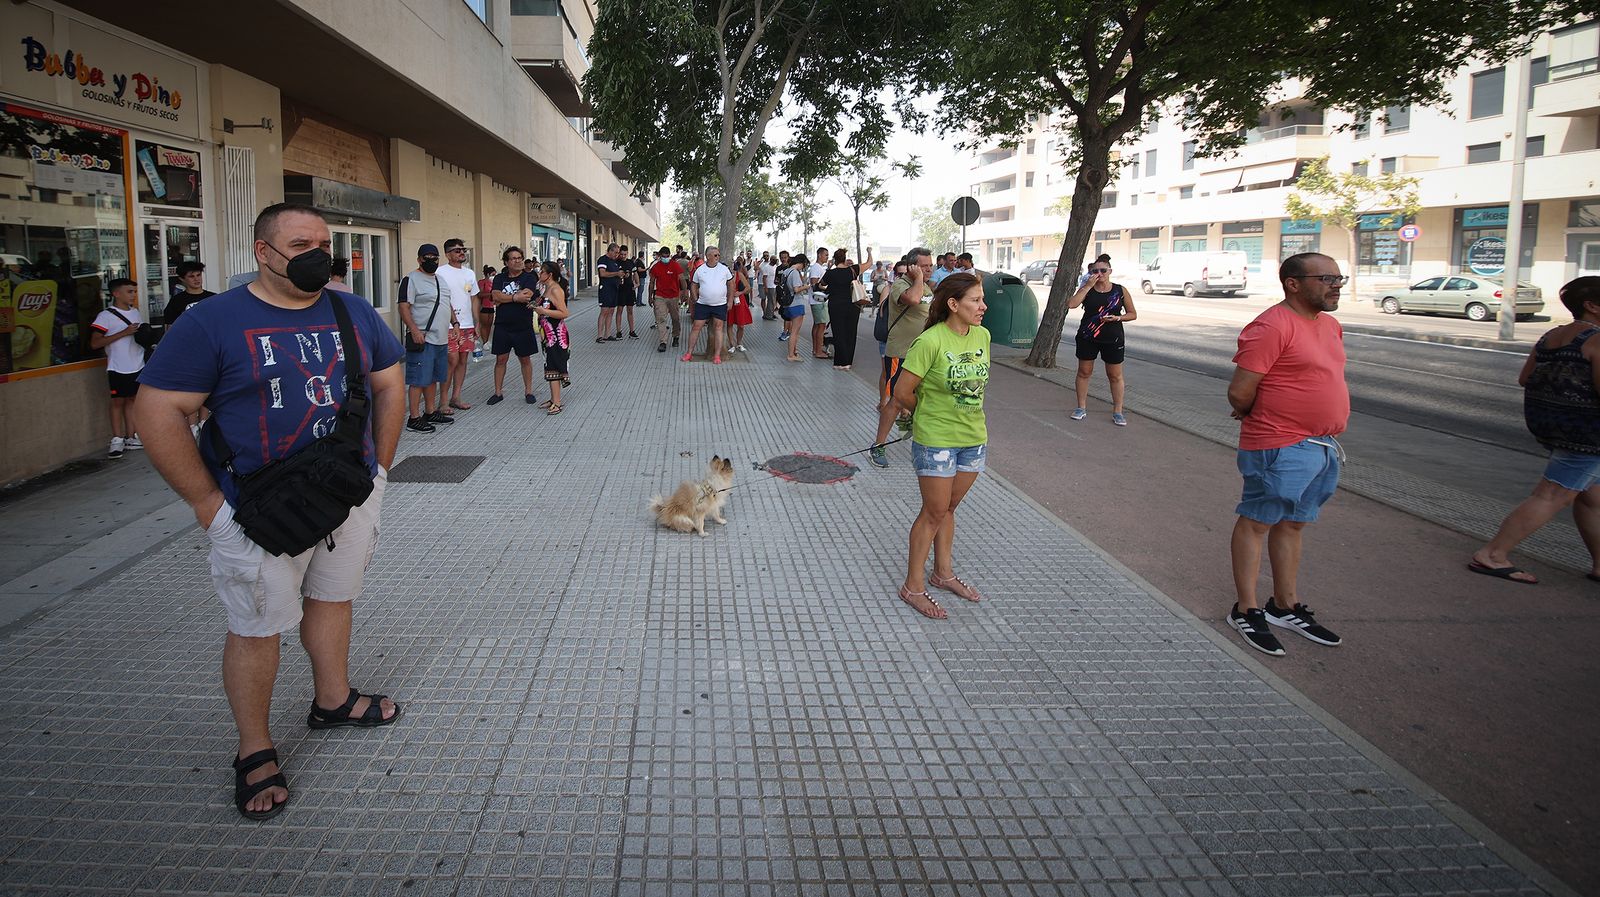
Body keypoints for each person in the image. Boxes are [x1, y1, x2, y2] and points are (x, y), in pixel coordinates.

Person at [135, 201, 404, 819]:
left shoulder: (351, 310)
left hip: (346, 493)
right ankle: (254, 748)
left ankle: (331, 700)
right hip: (257, 507)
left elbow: (390, 382)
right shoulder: (213, 321)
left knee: (335, 598)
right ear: (264, 252)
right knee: (257, 627)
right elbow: (156, 411)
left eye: (323, 243)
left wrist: (380, 470)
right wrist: (207, 504)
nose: (318, 255)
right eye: (301, 244)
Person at [1225, 252, 1350, 657]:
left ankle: (1285, 604)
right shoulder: (1271, 326)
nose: (1336, 285)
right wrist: (1259, 417)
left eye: (1338, 277)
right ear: (1293, 283)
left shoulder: (1329, 325)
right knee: (1258, 521)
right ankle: (1246, 609)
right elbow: (1241, 392)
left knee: (1293, 524)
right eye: (1326, 277)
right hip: (1278, 444)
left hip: (1321, 446)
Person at [1470, 277, 1600, 585]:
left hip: (1557, 427)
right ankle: (1493, 554)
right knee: (1552, 495)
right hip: (1589, 435)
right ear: (1592, 306)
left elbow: (1525, 378)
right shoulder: (1597, 339)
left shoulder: (1553, 335)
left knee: (1592, 498)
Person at [892, 273, 990, 619]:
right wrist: (929, 416)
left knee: (948, 509)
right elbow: (902, 392)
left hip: (973, 439)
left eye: (982, 300)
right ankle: (913, 586)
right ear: (953, 305)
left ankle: (942, 574)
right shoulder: (930, 341)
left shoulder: (983, 336)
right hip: (936, 441)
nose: (983, 306)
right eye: (975, 300)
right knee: (933, 512)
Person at [870, 248, 935, 467]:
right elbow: (914, 300)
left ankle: (916, 433)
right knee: (895, 401)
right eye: (924, 266)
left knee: (924, 398)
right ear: (912, 266)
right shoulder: (901, 285)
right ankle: (878, 446)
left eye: (930, 265)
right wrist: (917, 278)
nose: (929, 269)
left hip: (922, 355)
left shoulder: (926, 286)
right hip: (901, 353)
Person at [1067, 258, 1137, 426]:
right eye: (1095, 271)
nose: (1099, 274)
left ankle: (1118, 411)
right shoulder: (1087, 289)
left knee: (1114, 375)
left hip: (1112, 337)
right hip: (1088, 336)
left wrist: (1117, 317)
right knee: (1084, 371)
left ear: (1110, 271)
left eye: (1103, 271)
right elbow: (1072, 304)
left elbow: (1132, 313)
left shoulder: (1120, 291)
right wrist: (1088, 286)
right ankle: (1081, 407)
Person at [397, 244, 454, 432]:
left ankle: (430, 411)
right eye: (427, 257)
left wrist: (456, 324)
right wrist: (413, 329)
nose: (431, 261)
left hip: (441, 338)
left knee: (433, 377)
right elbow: (404, 306)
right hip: (422, 337)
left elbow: (446, 302)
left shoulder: (440, 280)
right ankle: (414, 418)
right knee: (419, 379)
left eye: (435, 258)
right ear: (419, 259)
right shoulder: (411, 279)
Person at [90, 278, 146, 458]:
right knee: (117, 402)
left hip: (137, 363)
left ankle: (132, 436)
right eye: (129, 292)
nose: (133, 295)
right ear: (116, 293)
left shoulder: (136, 313)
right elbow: (95, 343)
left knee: (133, 400)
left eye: (134, 292)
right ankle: (117, 438)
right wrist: (123, 333)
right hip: (117, 365)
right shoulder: (105, 316)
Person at [488, 247, 540, 405]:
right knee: (500, 359)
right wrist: (514, 297)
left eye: (520, 258)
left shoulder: (529, 277)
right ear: (506, 262)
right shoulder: (499, 278)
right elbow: (495, 296)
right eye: (514, 258)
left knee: (525, 359)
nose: (518, 261)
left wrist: (506, 298)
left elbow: (527, 295)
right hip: (503, 324)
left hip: (523, 324)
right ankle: (498, 392)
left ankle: (529, 391)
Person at [437, 238, 479, 411]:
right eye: (457, 250)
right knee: (451, 360)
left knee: (463, 360)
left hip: (467, 324)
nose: (462, 252)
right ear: (447, 254)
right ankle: (443, 401)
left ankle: (456, 396)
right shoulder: (440, 272)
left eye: (463, 249)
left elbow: (474, 298)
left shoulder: (469, 273)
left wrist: (477, 322)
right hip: (447, 325)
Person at [822, 247, 875, 370]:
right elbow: (869, 263)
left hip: (835, 305)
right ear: (845, 259)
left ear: (835, 260)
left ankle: (839, 362)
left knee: (838, 332)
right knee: (850, 333)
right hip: (852, 305)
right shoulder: (853, 270)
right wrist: (869, 252)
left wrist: (829, 267)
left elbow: (822, 284)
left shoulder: (830, 273)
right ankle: (847, 362)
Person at [533, 259, 572, 415]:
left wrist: (544, 311)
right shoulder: (546, 288)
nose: (539, 273)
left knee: (554, 365)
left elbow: (564, 313)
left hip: (556, 334)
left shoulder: (555, 289)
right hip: (547, 334)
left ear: (549, 275)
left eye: (541, 271)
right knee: (549, 364)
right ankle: (553, 398)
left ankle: (557, 402)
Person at [684, 247, 733, 364]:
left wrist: (730, 300)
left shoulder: (724, 269)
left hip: (720, 304)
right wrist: (695, 298)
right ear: (708, 256)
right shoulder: (700, 270)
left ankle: (717, 356)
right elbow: (693, 285)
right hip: (703, 304)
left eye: (718, 255)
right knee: (696, 327)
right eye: (715, 255)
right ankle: (689, 353)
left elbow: (731, 285)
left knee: (718, 328)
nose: (718, 257)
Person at [649, 246, 686, 353]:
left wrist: (684, 293)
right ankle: (663, 342)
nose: (665, 258)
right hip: (660, 296)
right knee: (660, 319)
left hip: (674, 296)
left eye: (667, 256)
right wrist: (650, 297)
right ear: (660, 256)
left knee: (675, 318)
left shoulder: (675, 265)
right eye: (663, 256)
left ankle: (676, 336)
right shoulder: (655, 267)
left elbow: (682, 279)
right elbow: (651, 283)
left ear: (669, 255)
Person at [780, 253, 811, 362]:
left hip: (788, 303)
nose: (804, 267)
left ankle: (794, 351)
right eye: (805, 265)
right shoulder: (795, 273)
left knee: (793, 330)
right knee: (795, 331)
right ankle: (791, 355)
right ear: (802, 263)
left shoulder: (786, 271)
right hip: (796, 303)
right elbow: (796, 289)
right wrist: (807, 286)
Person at [164, 261, 215, 326]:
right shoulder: (176, 301)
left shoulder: (213, 298)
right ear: (182, 279)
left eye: (198, 275)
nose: (196, 279)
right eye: (191, 276)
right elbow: (170, 328)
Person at [595, 243, 626, 343]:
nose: (617, 255)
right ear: (610, 251)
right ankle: (599, 335)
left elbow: (615, 274)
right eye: (616, 253)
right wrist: (616, 273)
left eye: (618, 253)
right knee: (604, 311)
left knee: (611, 311)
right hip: (606, 289)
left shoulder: (614, 262)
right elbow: (602, 273)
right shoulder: (603, 259)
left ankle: (607, 334)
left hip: (614, 289)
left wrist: (620, 276)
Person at [727, 255, 754, 353]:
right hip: (729, 300)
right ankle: (732, 344)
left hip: (739, 300)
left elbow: (748, 287)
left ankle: (739, 343)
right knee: (729, 323)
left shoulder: (739, 274)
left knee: (741, 325)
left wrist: (740, 292)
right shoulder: (723, 275)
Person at [808, 247, 830, 359]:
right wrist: (826, 287)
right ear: (819, 255)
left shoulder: (820, 267)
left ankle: (815, 348)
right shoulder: (816, 268)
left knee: (818, 325)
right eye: (826, 255)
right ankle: (818, 350)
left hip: (819, 300)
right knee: (821, 325)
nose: (827, 257)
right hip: (818, 301)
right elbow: (814, 284)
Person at [617, 244, 639, 339]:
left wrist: (637, 283)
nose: (623, 256)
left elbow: (635, 273)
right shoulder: (616, 262)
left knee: (630, 311)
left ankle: (632, 331)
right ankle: (618, 331)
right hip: (620, 290)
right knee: (619, 310)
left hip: (630, 289)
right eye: (621, 254)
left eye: (625, 254)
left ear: (627, 253)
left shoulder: (631, 263)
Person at [474, 265, 496, 360]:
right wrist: (490, 294)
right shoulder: (482, 282)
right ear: (488, 274)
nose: (494, 276)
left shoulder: (494, 283)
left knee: (489, 324)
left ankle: (487, 341)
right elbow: (480, 294)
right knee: (484, 324)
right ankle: (484, 341)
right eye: (493, 274)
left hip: (491, 306)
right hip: (484, 306)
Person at [759, 253, 778, 319]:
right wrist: (765, 287)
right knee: (770, 301)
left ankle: (771, 313)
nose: (775, 261)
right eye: (774, 259)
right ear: (771, 260)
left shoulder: (775, 267)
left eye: (776, 259)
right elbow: (764, 278)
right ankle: (768, 315)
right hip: (769, 286)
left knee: (773, 301)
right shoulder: (767, 267)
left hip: (774, 286)